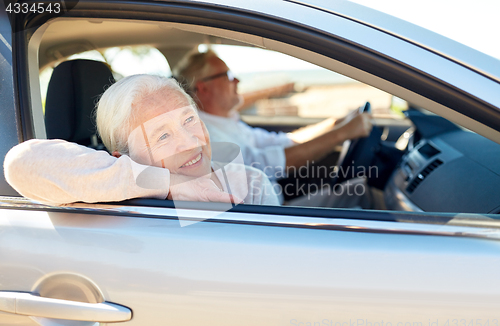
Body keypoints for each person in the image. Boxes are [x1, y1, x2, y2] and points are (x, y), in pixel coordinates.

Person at [4, 75, 279, 206]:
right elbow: (21, 163)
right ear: (120, 158)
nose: (189, 142)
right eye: (162, 135)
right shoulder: (101, 186)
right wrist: (169, 185)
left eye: (189, 120)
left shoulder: (249, 183)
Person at [174, 50, 373, 207]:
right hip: (270, 222)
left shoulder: (227, 123)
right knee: (360, 193)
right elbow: (268, 163)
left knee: (360, 188)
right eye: (227, 75)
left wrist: (337, 123)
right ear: (204, 88)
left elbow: (282, 142)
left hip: (276, 208)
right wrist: (343, 133)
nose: (237, 80)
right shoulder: (205, 135)